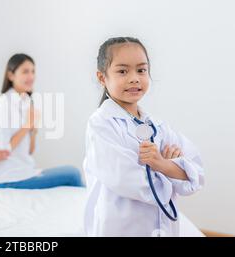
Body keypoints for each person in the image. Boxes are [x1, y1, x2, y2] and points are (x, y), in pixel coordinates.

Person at [83, 37, 204, 236]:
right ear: (102, 77)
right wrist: (171, 169)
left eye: (141, 70)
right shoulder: (101, 124)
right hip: (121, 228)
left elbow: (197, 174)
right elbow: (126, 180)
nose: (134, 78)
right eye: (122, 71)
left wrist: (161, 165)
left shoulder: (158, 126)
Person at [0, 53, 84, 189]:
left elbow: (29, 151)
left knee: (73, 173)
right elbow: (2, 151)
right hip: (7, 178)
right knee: (73, 174)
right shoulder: (4, 105)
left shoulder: (25, 102)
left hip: (24, 171)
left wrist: (33, 129)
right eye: (25, 71)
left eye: (33, 71)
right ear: (11, 75)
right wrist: (28, 125)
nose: (31, 76)